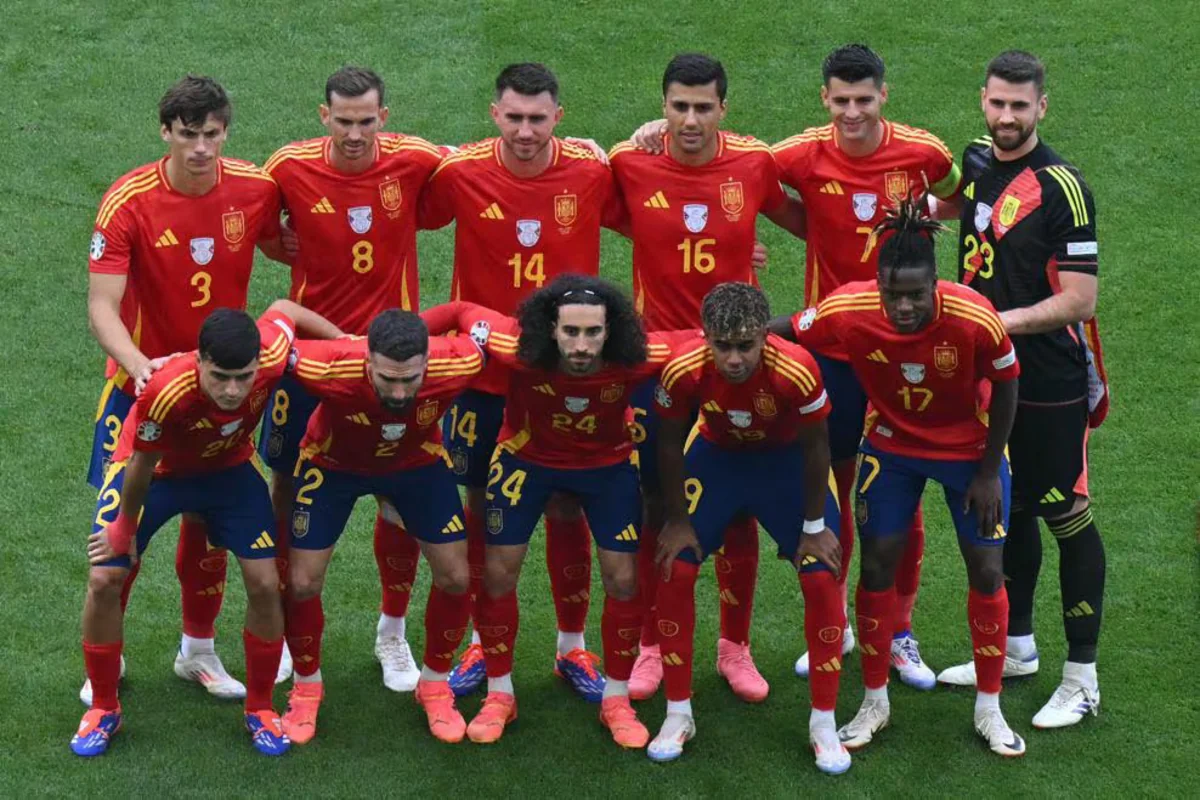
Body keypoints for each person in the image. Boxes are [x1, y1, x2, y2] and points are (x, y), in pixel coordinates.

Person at [773, 198, 1025, 757]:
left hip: (969, 450)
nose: (903, 306)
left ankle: (989, 707)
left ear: (936, 283)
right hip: (892, 445)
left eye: (915, 294)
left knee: (987, 569)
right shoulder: (849, 307)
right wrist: (722, 341)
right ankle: (874, 701)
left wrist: (989, 470)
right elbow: (786, 328)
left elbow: (1009, 383)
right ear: (878, 286)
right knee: (877, 563)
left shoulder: (975, 316)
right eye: (892, 294)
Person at [83, 74, 290, 706]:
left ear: (226, 132)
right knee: (121, 541)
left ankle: (197, 649)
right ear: (165, 132)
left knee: (208, 522)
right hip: (138, 393)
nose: (201, 147)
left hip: (221, 388)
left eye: (212, 134)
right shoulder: (128, 201)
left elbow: (294, 245)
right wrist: (143, 367)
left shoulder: (255, 188)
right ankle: (107, 657)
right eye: (188, 134)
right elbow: (102, 306)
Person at [419, 62, 623, 702]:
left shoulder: (593, 171)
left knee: (567, 506)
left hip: (565, 379)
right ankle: (483, 643)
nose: (526, 131)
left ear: (559, 117)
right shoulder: (459, 172)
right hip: (482, 380)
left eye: (538, 119)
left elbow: (657, 219)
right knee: (482, 504)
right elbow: (399, 214)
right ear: (494, 114)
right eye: (514, 117)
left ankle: (572, 646)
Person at [609, 52, 806, 704]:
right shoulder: (630, 163)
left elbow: (807, 221)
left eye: (702, 107)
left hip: (735, 364)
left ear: (724, 108)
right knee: (654, 502)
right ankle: (648, 644)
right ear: (663, 106)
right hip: (656, 363)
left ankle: (733, 646)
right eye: (678, 107)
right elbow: (587, 206)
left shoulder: (753, 163)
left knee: (739, 503)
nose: (690, 120)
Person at [421, 275, 691, 749]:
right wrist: (382, 340)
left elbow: (705, 340)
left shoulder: (639, 354)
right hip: (526, 462)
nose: (581, 346)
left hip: (606, 467)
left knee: (624, 579)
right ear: (550, 329)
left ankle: (616, 699)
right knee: (499, 574)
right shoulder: (512, 343)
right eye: (570, 332)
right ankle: (500, 694)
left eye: (593, 333)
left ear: (611, 331)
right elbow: (460, 310)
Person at [72, 301, 341, 757]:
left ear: (259, 363)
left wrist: (345, 341)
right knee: (104, 577)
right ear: (199, 362)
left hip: (228, 469)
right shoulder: (165, 389)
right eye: (220, 377)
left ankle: (260, 709)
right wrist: (123, 530)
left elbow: (284, 310)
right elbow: (141, 466)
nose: (233, 390)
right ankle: (103, 708)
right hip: (158, 474)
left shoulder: (273, 351)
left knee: (264, 582)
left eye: (244, 377)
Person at [935, 51, 1107, 730]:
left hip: (1047, 382)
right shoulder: (977, 158)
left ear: (1042, 107)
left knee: (1066, 514)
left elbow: (1081, 301)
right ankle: (1017, 649)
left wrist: (992, 322)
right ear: (983, 100)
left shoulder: (1063, 187)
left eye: (1019, 105)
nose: (1007, 117)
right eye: (998, 103)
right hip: (984, 377)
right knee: (1009, 509)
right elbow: (940, 207)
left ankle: (1082, 677)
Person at [258, 66, 444, 691]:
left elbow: (493, 155)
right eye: (344, 121)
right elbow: (258, 224)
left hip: (393, 364)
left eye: (367, 121)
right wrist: (280, 243)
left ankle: (392, 633)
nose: (356, 133)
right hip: (307, 361)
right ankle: (285, 628)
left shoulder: (415, 158)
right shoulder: (288, 167)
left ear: (384, 117)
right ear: (324, 117)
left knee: (398, 490)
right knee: (286, 482)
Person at [649, 283, 848, 773]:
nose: (734, 358)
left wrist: (813, 526)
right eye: (722, 345)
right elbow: (668, 443)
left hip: (785, 463)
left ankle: (824, 723)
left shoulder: (797, 368)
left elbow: (816, 446)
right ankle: (677, 714)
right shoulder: (683, 367)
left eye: (745, 345)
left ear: (765, 336)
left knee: (820, 574)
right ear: (705, 337)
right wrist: (677, 520)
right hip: (718, 459)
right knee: (676, 566)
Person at [279, 310, 486, 744]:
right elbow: (270, 332)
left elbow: (483, 322)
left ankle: (434, 685)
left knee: (455, 576)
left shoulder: (461, 360)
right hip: (332, 465)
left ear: (428, 363)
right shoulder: (325, 364)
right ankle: (306, 687)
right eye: (387, 379)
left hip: (416, 463)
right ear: (367, 361)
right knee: (301, 582)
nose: (398, 392)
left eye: (410, 380)